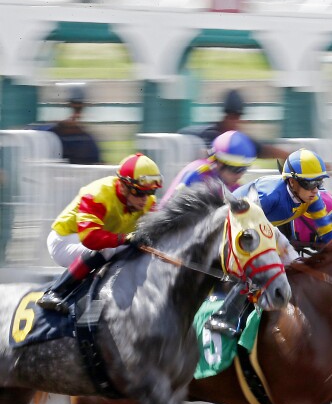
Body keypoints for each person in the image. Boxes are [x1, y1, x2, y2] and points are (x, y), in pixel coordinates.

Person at [206, 147, 332, 336]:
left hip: (264, 229)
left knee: (296, 264)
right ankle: (223, 317)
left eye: (319, 182)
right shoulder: (269, 196)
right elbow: (247, 229)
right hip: (235, 224)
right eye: (309, 183)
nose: (315, 190)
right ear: (291, 182)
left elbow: (329, 233)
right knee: (257, 268)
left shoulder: (313, 198)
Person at [37, 153, 162, 313]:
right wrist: (126, 238)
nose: (145, 199)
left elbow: (156, 234)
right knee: (108, 250)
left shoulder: (147, 202)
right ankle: (54, 292)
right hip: (66, 240)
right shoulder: (98, 194)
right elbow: (90, 239)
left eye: (151, 192)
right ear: (123, 186)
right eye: (139, 192)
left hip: (103, 239)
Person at [180, 89, 292, 162]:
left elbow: (264, 150)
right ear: (224, 116)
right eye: (231, 117)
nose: (234, 122)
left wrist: (290, 157)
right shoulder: (209, 135)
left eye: (237, 118)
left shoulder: (240, 140)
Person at [158, 130, 256, 208]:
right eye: (236, 169)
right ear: (220, 164)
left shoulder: (236, 186)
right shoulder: (197, 174)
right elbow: (171, 210)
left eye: (244, 169)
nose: (240, 175)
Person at [46, 85, 102, 165]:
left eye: (79, 109)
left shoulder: (87, 140)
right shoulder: (50, 135)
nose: (75, 116)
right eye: (74, 108)